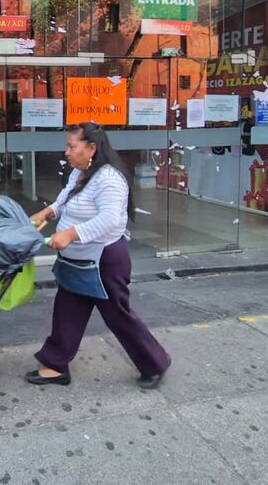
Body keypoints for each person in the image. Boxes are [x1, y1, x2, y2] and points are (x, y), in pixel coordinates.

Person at [27, 122, 171, 389]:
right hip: (77, 259)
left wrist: (70, 234)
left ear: (92, 148)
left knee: (118, 316)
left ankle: (154, 364)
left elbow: (109, 220)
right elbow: (64, 200)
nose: (67, 152)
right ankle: (56, 364)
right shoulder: (80, 172)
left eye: (72, 147)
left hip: (103, 261)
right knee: (67, 310)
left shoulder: (109, 179)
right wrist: (46, 213)